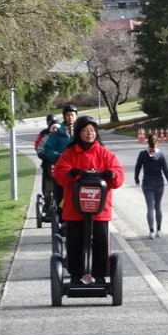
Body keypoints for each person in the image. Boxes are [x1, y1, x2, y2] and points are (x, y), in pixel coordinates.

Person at [52, 116, 125, 283]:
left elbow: (118, 174)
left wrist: (112, 174)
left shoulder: (105, 154)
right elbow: (60, 174)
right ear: (78, 133)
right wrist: (69, 173)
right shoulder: (69, 154)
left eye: (92, 130)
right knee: (74, 241)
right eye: (85, 130)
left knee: (101, 240)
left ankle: (100, 274)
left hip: (99, 208)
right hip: (75, 208)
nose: (89, 133)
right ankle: (76, 274)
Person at [134, 133, 168, 239]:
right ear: (157, 143)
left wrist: (136, 179)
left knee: (150, 208)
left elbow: (137, 167)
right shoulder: (161, 155)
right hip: (159, 184)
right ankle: (159, 230)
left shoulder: (142, 154)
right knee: (158, 207)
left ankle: (151, 231)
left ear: (148, 143)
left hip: (147, 184)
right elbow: (166, 171)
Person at [41, 104, 77, 212]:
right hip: (62, 169)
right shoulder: (57, 134)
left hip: (79, 168)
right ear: (64, 117)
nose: (70, 117)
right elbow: (48, 149)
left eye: (72, 115)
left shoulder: (81, 131)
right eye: (67, 115)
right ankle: (62, 216)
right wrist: (58, 155)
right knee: (61, 193)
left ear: (76, 116)